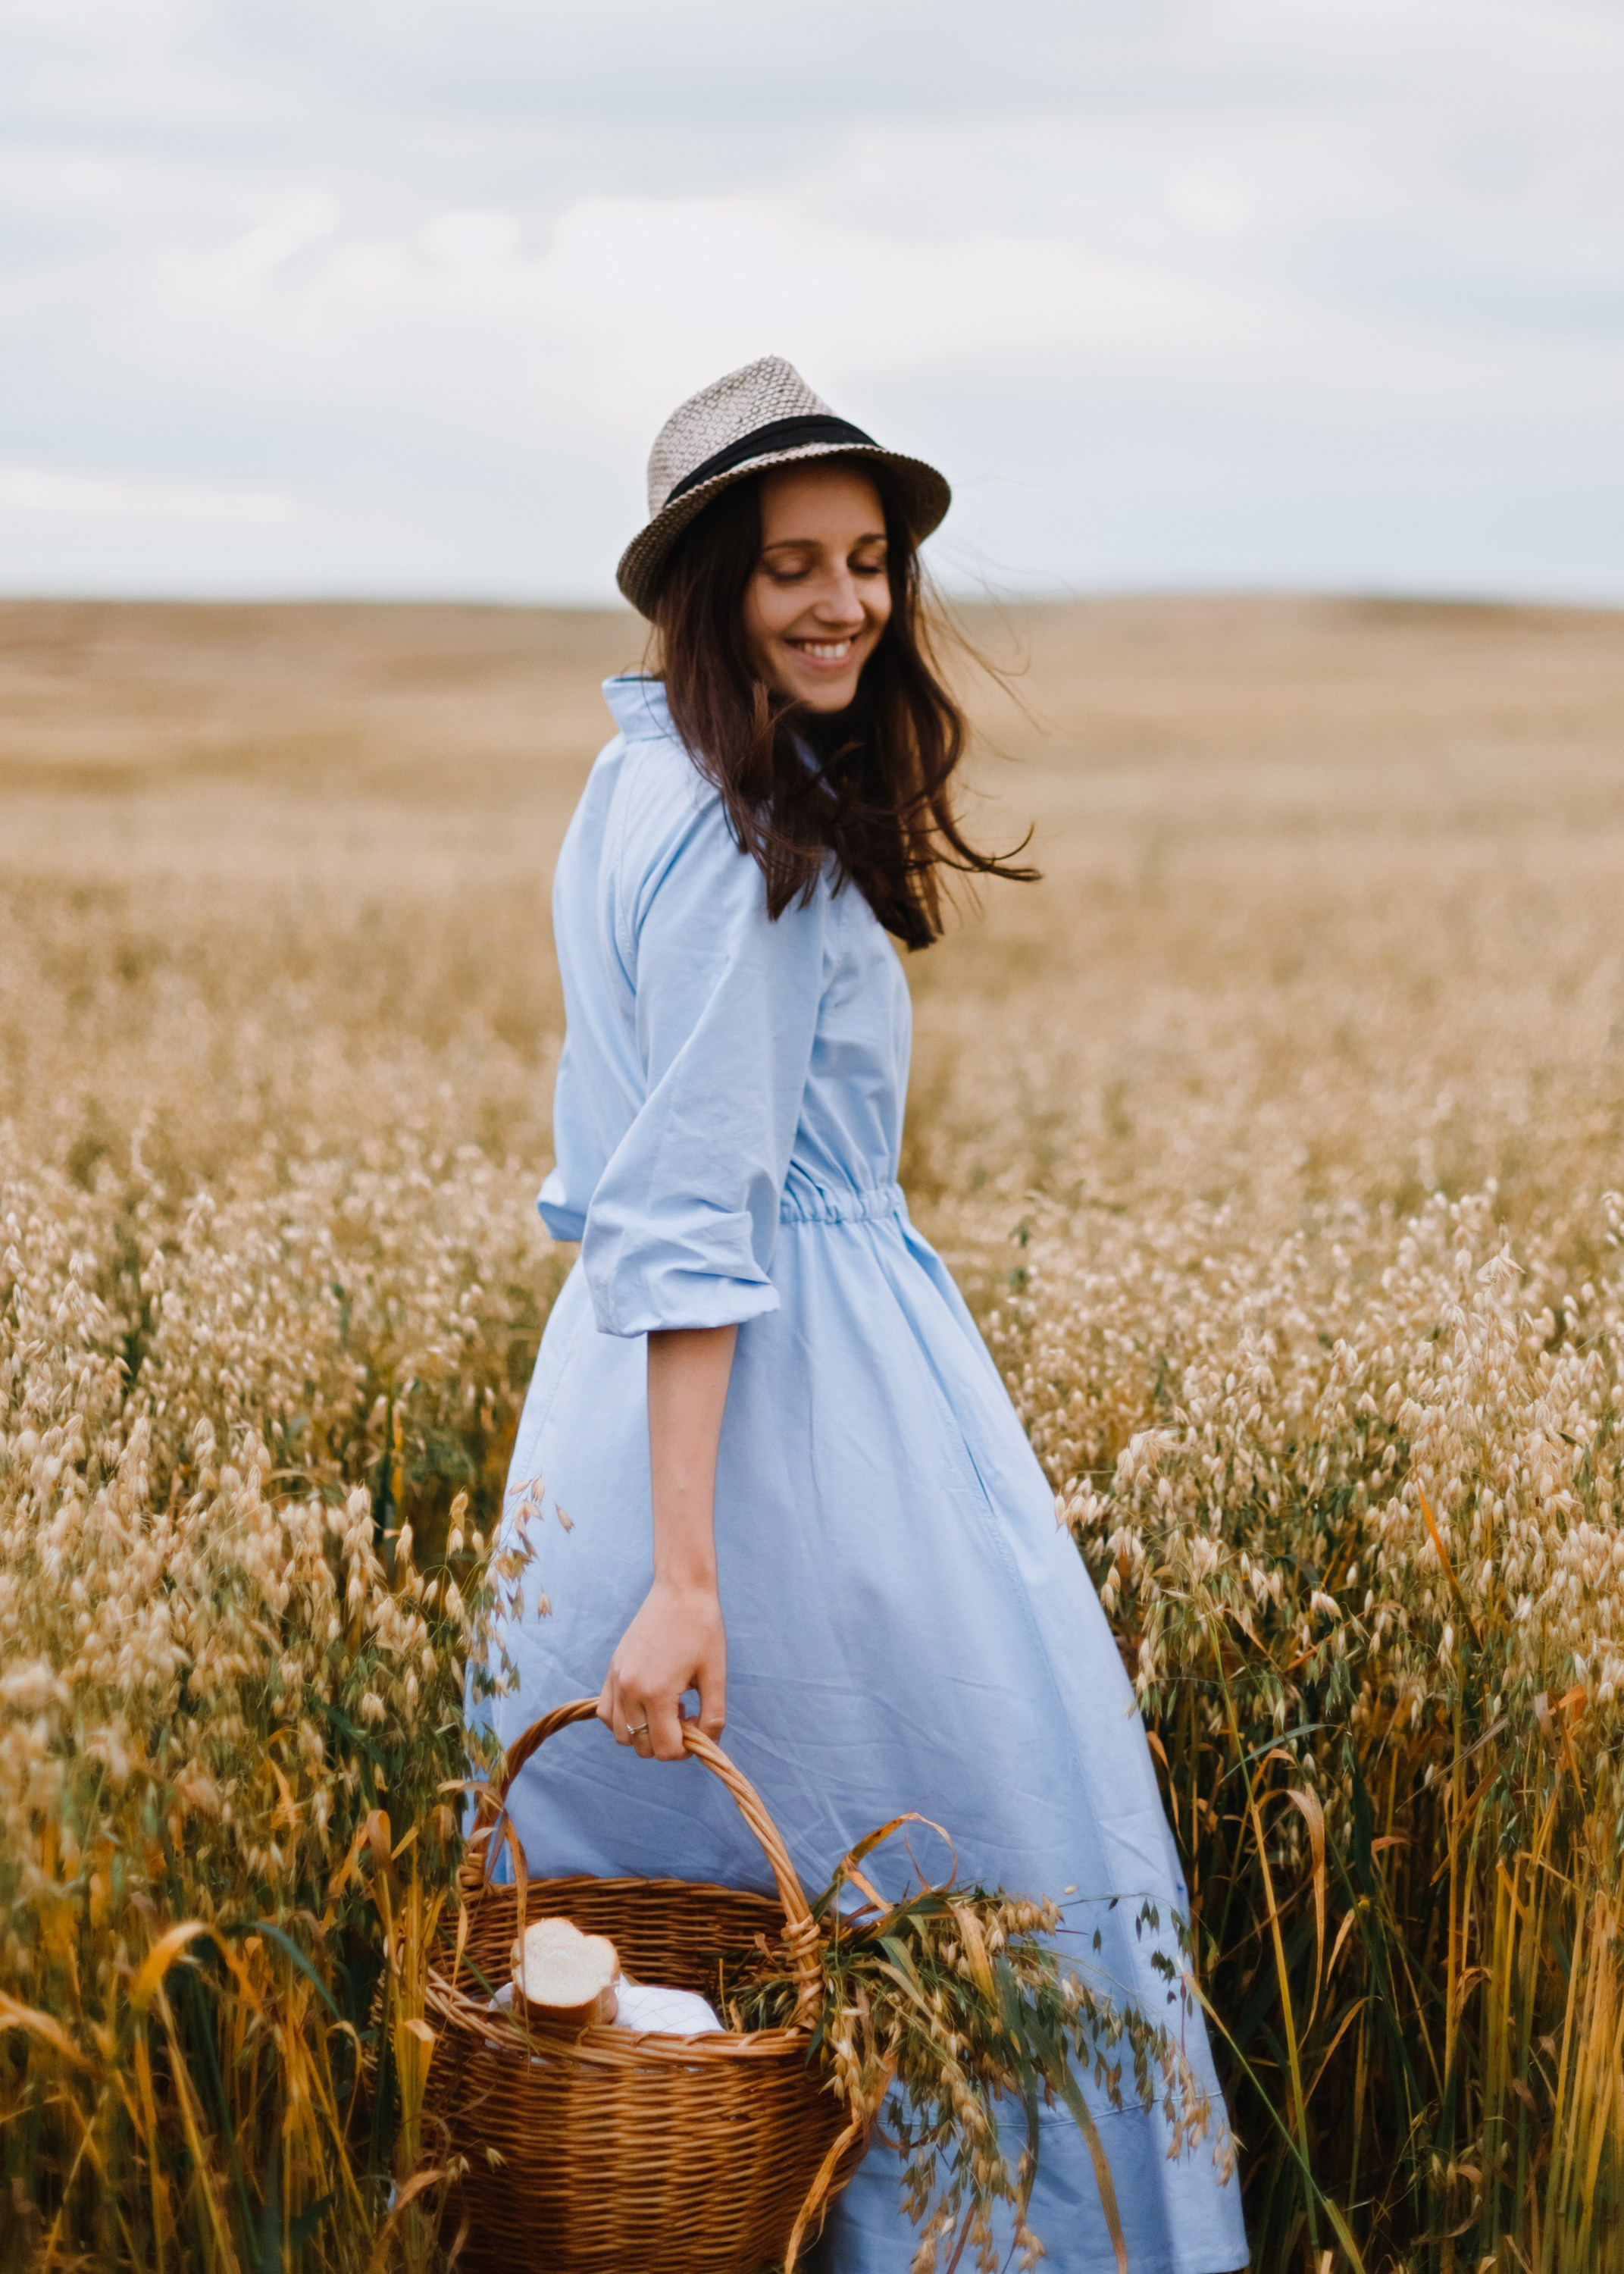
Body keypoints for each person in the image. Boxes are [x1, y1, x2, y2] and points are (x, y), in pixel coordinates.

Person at [477, 355, 1248, 2272]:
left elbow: (635, 1196)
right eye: (788, 571)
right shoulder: (747, 847)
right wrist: (682, 1571)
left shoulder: (632, 778)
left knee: (662, 1915)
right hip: (789, 1411)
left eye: (867, 561)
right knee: (966, 1860)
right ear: (707, 597)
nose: (842, 604)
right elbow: (685, 1207)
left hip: (613, 1390)